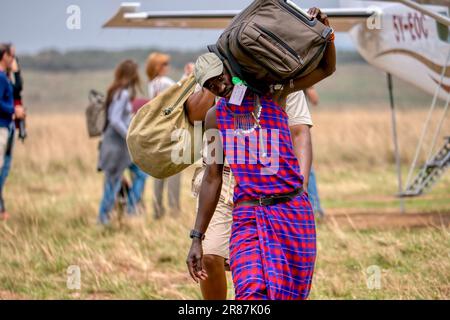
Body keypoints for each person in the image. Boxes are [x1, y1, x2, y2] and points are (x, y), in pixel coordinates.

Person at [186, 8, 335, 300]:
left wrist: (326, 33)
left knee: (286, 294)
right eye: (209, 86)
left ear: (231, 68)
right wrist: (196, 238)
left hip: (290, 214)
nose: (218, 86)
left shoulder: (274, 94)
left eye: (218, 77)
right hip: (248, 215)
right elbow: (212, 178)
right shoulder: (216, 117)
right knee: (251, 291)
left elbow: (325, 70)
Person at [187, 84, 314, 300]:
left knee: (268, 273)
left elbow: (300, 133)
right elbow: (196, 115)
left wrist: (299, 190)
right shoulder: (216, 75)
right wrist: (215, 85)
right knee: (210, 256)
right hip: (223, 176)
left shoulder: (281, 83)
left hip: (270, 186)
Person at [97, 60, 141, 225]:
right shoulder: (121, 94)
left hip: (116, 146)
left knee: (123, 179)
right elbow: (115, 119)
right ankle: (103, 219)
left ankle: (127, 210)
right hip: (116, 147)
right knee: (112, 184)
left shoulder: (116, 91)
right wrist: (128, 134)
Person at [146, 52, 181, 218]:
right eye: (164, 64)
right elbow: (181, 92)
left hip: (158, 133)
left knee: (159, 173)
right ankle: (174, 209)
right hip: (171, 132)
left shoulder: (152, 84)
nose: (167, 67)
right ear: (158, 67)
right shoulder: (166, 82)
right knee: (174, 170)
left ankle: (157, 209)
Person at [0, 43, 25, 221]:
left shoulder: (5, 77)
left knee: (5, 167)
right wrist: (13, 111)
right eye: (12, 56)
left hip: (7, 127)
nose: (14, 60)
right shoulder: (1, 78)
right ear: (5, 56)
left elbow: (17, 89)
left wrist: (16, 73)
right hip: (2, 126)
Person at [304, 87, 325, 217]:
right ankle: (314, 207)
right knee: (307, 168)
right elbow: (314, 99)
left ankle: (314, 207)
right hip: (299, 126)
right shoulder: (300, 71)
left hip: (290, 125)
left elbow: (314, 99)